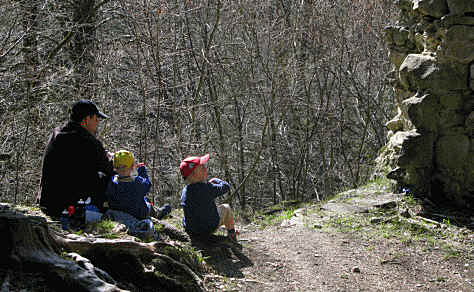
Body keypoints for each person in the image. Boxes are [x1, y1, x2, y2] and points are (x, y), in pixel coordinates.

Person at [37, 99, 114, 218]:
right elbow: (109, 169)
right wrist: (111, 159)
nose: (98, 121)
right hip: (68, 207)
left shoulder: (57, 133)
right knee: (111, 179)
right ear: (86, 119)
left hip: (46, 202)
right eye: (96, 118)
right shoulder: (89, 141)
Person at [179, 154, 237, 241]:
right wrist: (216, 180)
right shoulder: (208, 188)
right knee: (226, 207)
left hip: (192, 230)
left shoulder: (185, 191)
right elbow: (226, 186)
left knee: (188, 215)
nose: (205, 169)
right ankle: (232, 236)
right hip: (209, 228)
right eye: (202, 167)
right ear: (195, 174)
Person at [105, 150, 171, 220]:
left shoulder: (112, 182)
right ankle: (158, 213)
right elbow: (147, 185)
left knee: (144, 200)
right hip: (138, 214)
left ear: (115, 168)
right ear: (132, 167)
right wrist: (142, 170)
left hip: (119, 212)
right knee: (147, 204)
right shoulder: (137, 181)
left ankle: (156, 210)